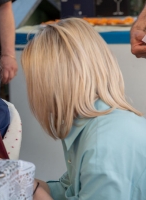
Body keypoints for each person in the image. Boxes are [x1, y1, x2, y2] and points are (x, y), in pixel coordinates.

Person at [21, 18, 146, 199]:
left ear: (51, 82)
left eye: (33, 79)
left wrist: (34, 191)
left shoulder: (103, 144)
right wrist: (15, 177)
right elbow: (68, 190)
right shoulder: (99, 126)